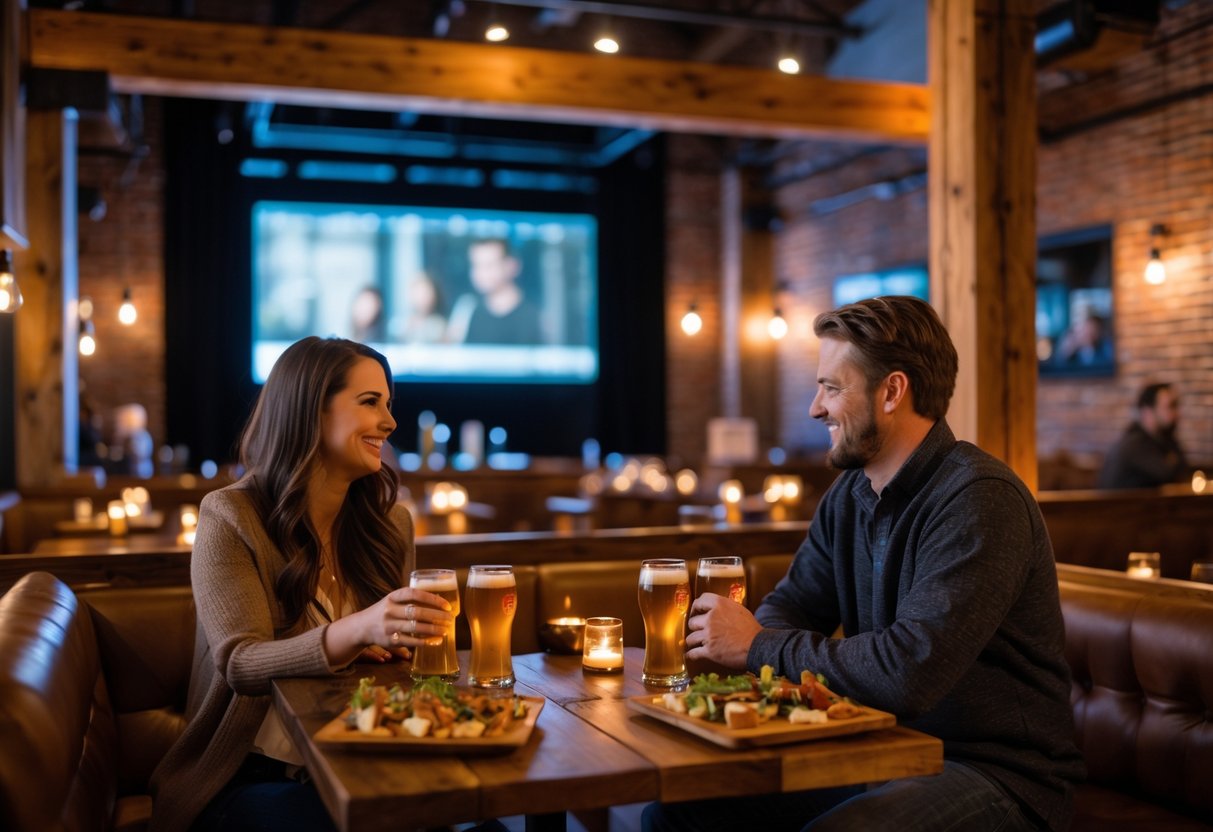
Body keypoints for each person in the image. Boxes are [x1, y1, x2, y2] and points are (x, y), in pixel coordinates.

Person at [647, 296, 1084, 832]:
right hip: (880, 750)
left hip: (999, 774)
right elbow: (791, 607)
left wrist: (758, 646)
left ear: (892, 391)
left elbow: (908, 673)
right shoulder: (849, 493)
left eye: (832, 388)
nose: (816, 408)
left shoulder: (980, 499)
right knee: (678, 815)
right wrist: (763, 644)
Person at [149, 336, 454, 831]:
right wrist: (358, 630)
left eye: (389, 404)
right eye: (370, 402)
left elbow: (398, 655)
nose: (390, 422)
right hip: (245, 776)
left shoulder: (390, 524)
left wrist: (393, 646)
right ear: (311, 410)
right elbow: (240, 663)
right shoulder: (229, 515)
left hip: (361, 760)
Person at [447, 238, 543, 345]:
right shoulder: (467, 310)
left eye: (489, 265)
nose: (480, 273)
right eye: (476, 265)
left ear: (512, 266)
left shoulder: (535, 317)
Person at [1096, 382, 1190, 490]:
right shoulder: (1135, 444)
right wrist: (1172, 460)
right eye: (1170, 406)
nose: (1177, 413)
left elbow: (1182, 468)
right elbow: (1169, 475)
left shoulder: (1161, 439)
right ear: (1147, 412)